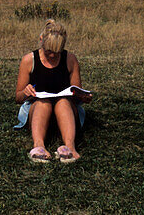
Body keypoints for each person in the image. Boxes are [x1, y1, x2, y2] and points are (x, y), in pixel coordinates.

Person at [14, 19, 92, 164]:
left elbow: (77, 93)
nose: (52, 56)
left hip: (65, 111)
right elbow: (18, 98)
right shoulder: (28, 60)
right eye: (48, 51)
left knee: (62, 102)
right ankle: (38, 146)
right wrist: (26, 92)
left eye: (57, 53)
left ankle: (70, 147)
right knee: (43, 102)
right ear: (41, 40)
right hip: (38, 110)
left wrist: (83, 97)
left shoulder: (70, 59)